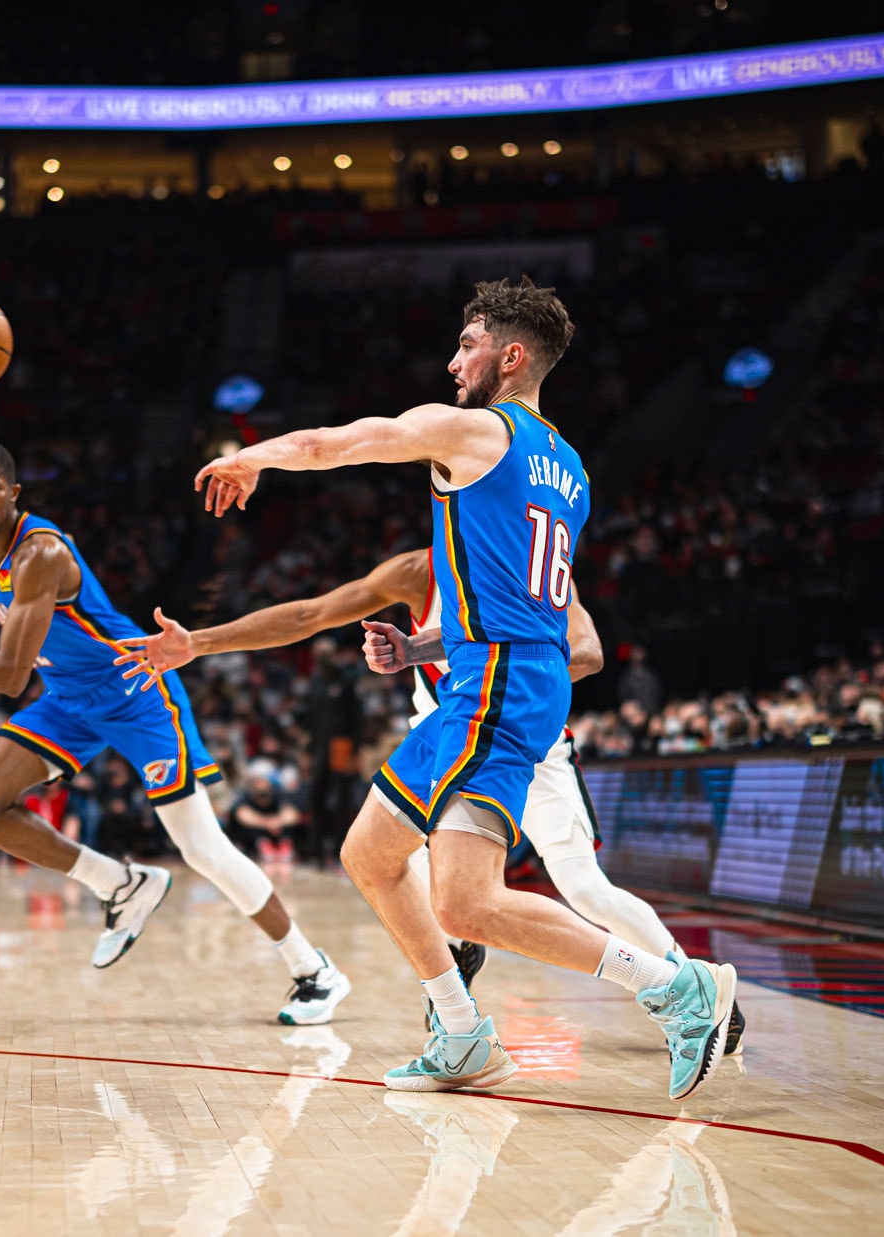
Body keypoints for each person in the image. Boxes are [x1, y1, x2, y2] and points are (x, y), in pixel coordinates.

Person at [193, 277, 737, 1099]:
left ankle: (676, 988)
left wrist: (253, 455)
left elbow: (350, 440)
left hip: (499, 687)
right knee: (370, 855)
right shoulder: (571, 467)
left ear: (509, 356)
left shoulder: (481, 429)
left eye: (468, 343)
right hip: (504, 673)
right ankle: (462, 1032)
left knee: (469, 905)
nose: (453, 363)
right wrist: (422, 645)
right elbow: (516, 600)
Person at [116, 546, 744, 1054]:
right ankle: (457, 1000)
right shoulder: (418, 570)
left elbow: (588, 653)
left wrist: (456, 643)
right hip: (444, 736)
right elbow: (310, 615)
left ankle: (691, 988)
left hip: (529, 739)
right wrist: (198, 642)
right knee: (388, 865)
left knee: (582, 888)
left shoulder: (533, 566)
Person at [0, 441, 350, 1024]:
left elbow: (11, 676)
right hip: (69, 699)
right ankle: (119, 883)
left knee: (202, 849)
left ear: (14, 492)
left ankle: (314, 970)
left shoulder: (39, 552)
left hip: (136, 689)